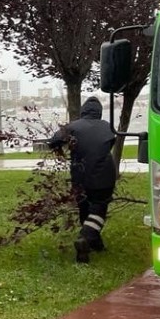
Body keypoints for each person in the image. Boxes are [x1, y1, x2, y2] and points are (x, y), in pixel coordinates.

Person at [47, 96, 117, 264]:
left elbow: (54, 141)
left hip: (80, 177)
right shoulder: (108, 127)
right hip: (104, 176)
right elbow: (107, 146)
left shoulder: (73, 127)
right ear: (99, 112)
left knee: (85, 208)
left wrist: (60, 150)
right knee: (99, 209)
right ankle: (85, 239)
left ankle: (94, 243)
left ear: (83, 111)